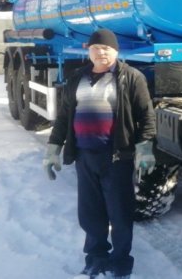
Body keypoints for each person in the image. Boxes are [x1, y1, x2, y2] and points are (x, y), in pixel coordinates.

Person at [42, 28, 157, 279]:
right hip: (84, 156)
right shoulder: (77, 78)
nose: (101, 52)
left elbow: (146, 116)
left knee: (120, 213)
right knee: (90, 213)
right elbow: (64, 117)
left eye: (106, 48)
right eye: (96, 48)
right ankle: (96, 258)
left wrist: (145, 149)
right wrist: (53, 149)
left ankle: (121, 263)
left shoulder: (131, 77)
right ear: (89, 52)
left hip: (116, 157)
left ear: (116, 50)